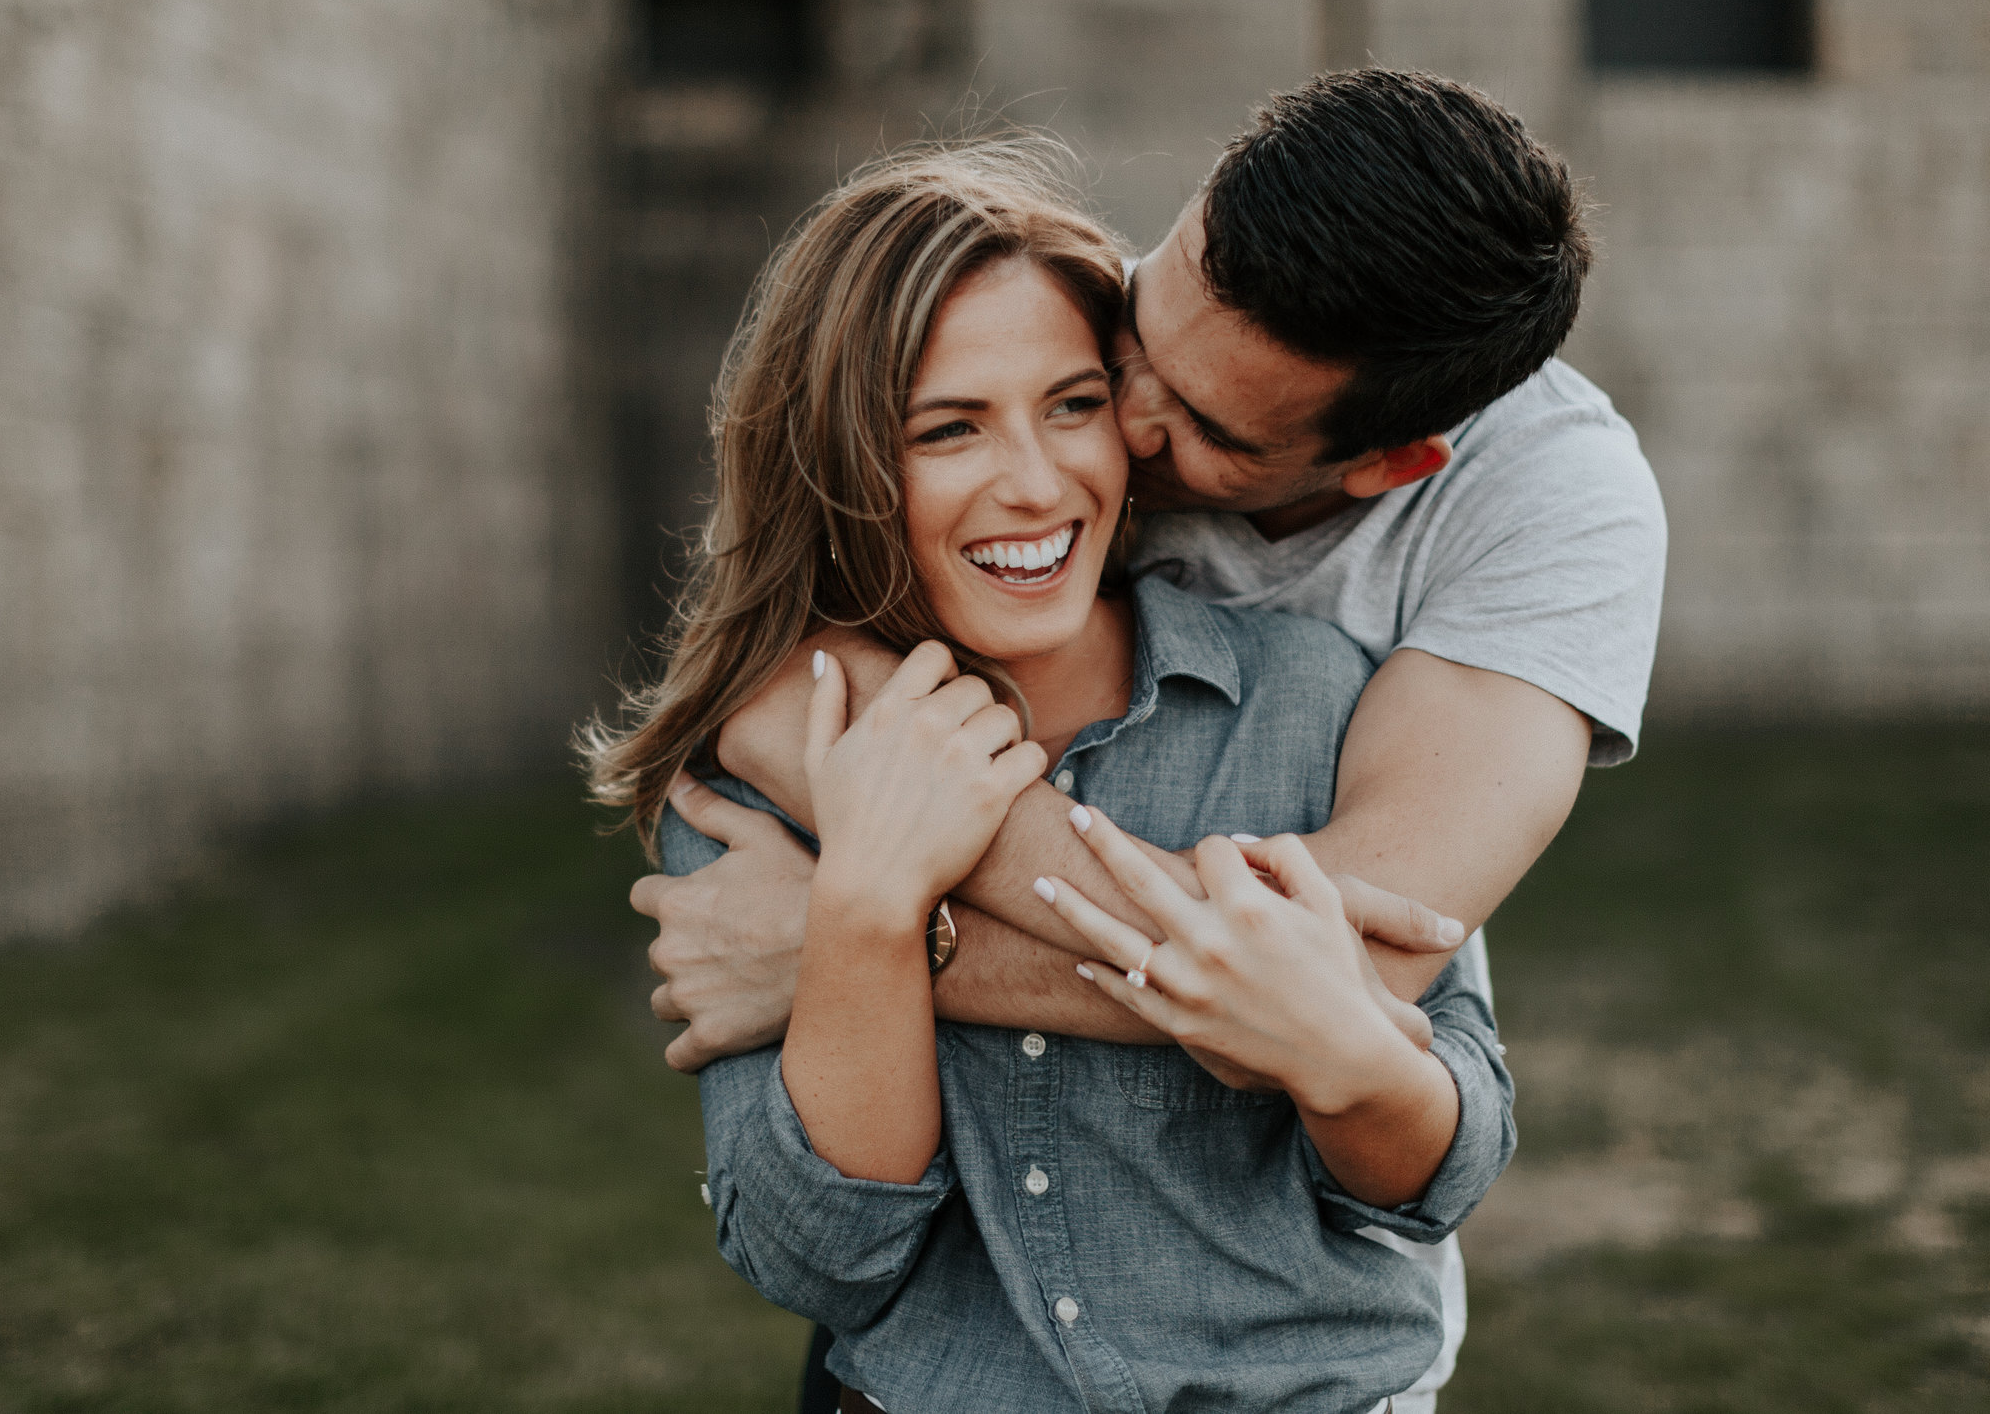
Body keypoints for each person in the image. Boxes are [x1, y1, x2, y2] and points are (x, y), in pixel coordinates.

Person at [633, 68, 1669, 1412]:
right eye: (1129, 352)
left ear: (1385, 465)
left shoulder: (1519, 537)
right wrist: (851, 843)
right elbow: (779, 628)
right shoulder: (1049, 321)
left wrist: (872, 940)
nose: (1113, 433)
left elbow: (1342, 985)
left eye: (1198, 425)